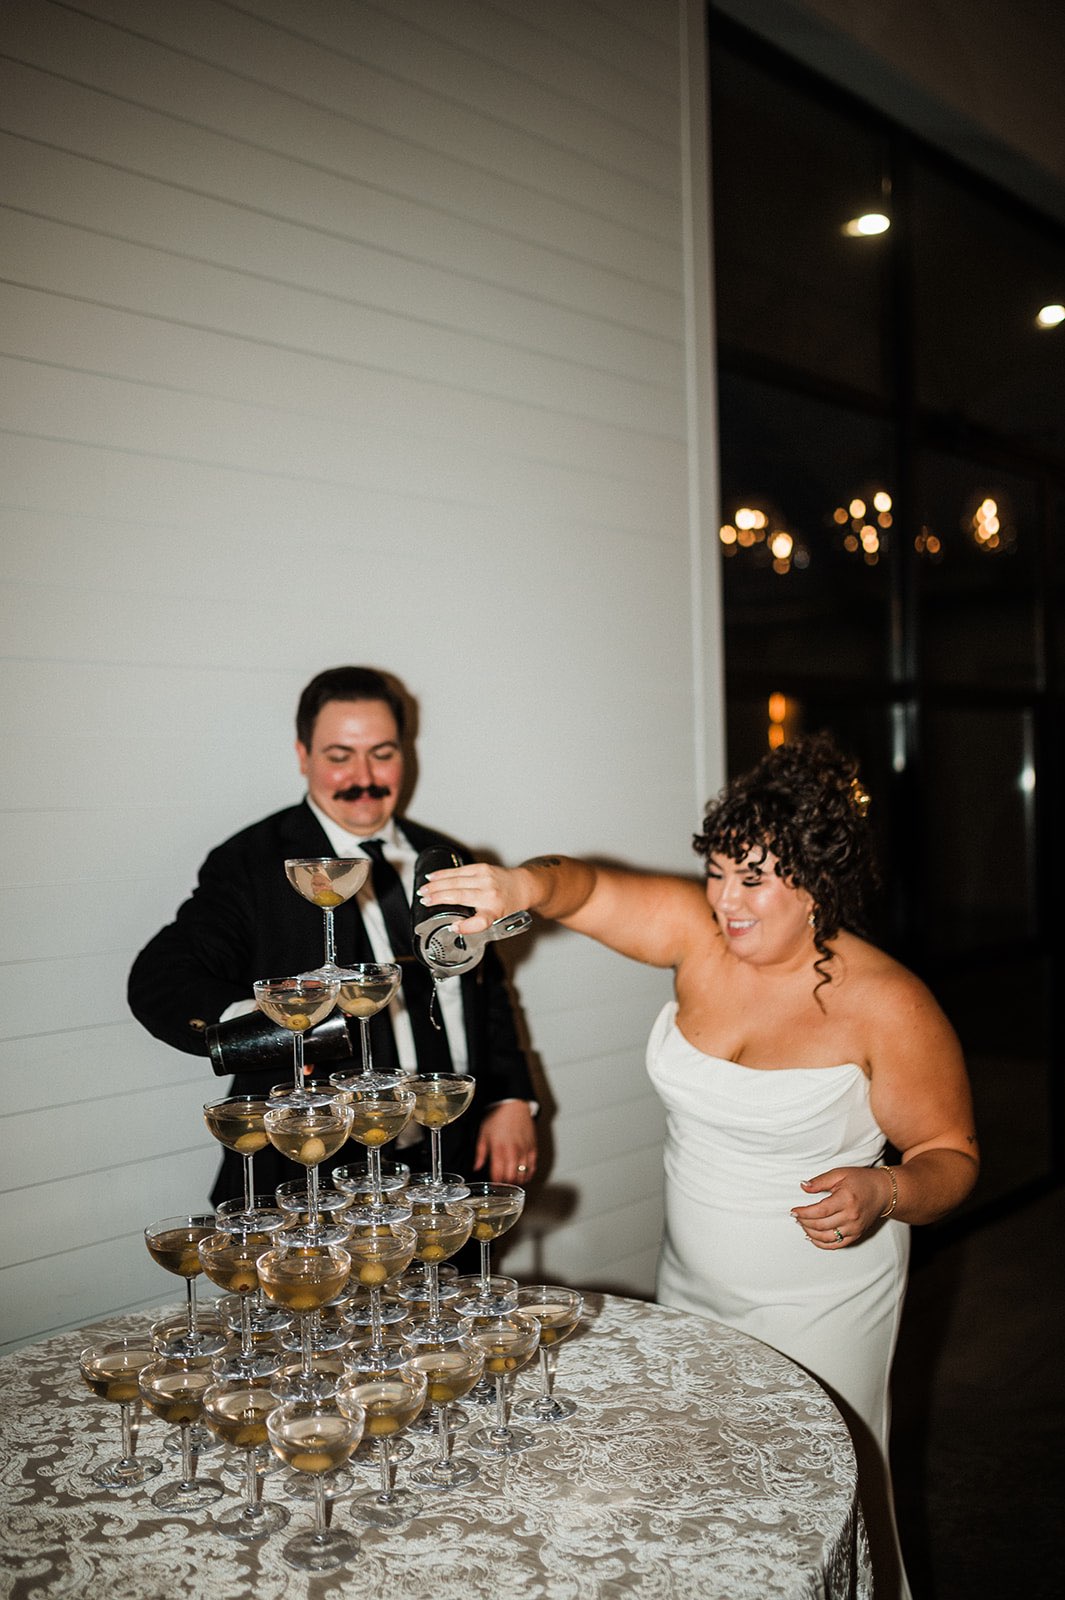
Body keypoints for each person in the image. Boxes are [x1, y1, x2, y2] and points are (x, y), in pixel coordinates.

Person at [417, 733, 978, 1600]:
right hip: (692, 1285)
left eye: (752, 878)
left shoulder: (887, 1003)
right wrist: (518, 885)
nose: (724, 899)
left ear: (817, 885)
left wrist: (888, 1189)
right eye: (718, 871)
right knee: (707, 1499)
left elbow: (952, 1156)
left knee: (809, 1501)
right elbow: (588, 886)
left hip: (821, 1304)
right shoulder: (697, 936)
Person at [128, 665, 538, 1202]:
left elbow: (482, 988)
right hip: (308, 1178)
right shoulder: (250, 864)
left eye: (383, 753)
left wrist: (509, 1099)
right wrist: (269, 1030)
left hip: (447, 1159)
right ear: (303, 756)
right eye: (339, 756)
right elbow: (160, 978)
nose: (362, 776)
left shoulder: (447, 856)